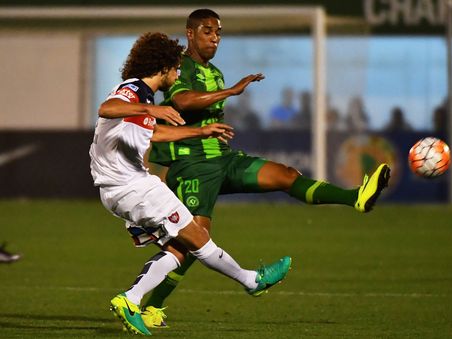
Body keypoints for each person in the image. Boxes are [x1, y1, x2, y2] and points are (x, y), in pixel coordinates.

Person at [146, 9, 391, 328]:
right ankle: (151, 307)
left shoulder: (216, 73)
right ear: (190, 33)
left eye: (219, 32)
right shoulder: (180, 66)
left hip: (223, 158)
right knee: (194, 241)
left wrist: (226, 91)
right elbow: (183, 102)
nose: (215, 37)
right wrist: (231, 92)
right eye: (207, 31)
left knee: (286, 175)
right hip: (192, 166)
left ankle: (356, 197)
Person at [89, 32, 292, 336]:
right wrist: (151, 110)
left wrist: (200, 132)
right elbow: (106, 108)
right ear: (164, 66)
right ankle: (252, 281)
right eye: (176, 67)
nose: (179, 72)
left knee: (180, 248)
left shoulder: (144, 99)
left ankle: (131, 299)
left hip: (120, 190)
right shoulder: (134, 90)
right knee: (198, 239)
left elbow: (154, 134)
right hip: (133, 188)